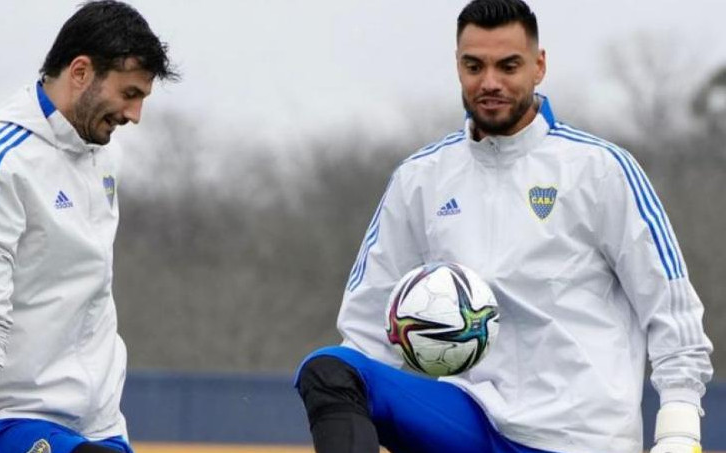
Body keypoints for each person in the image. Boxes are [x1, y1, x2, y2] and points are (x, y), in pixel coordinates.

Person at [294, 1, 713, 452]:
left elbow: (671, 310)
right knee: (331, 371)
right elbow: (365, 328)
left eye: (508, 65)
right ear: (458, 67)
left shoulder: (601, 170)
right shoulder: (420, 179)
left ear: (539, 66)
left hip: (579, 438)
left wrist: (678, 430)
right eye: (474, 66)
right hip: (471, 423)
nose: (489, 82)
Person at [0, 2, 178, 452]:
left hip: (101, 425)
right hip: (15, 421)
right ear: (82, 71)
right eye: (129, 93)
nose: (135, 114)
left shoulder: (105, 154)